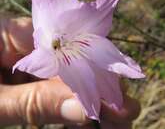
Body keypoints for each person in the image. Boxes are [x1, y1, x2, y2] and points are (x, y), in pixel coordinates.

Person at [0, 14, 140, 128]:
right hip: (64, 54)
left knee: (113, 101)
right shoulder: (48, 49)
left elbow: (101, 12)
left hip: (71, 54)